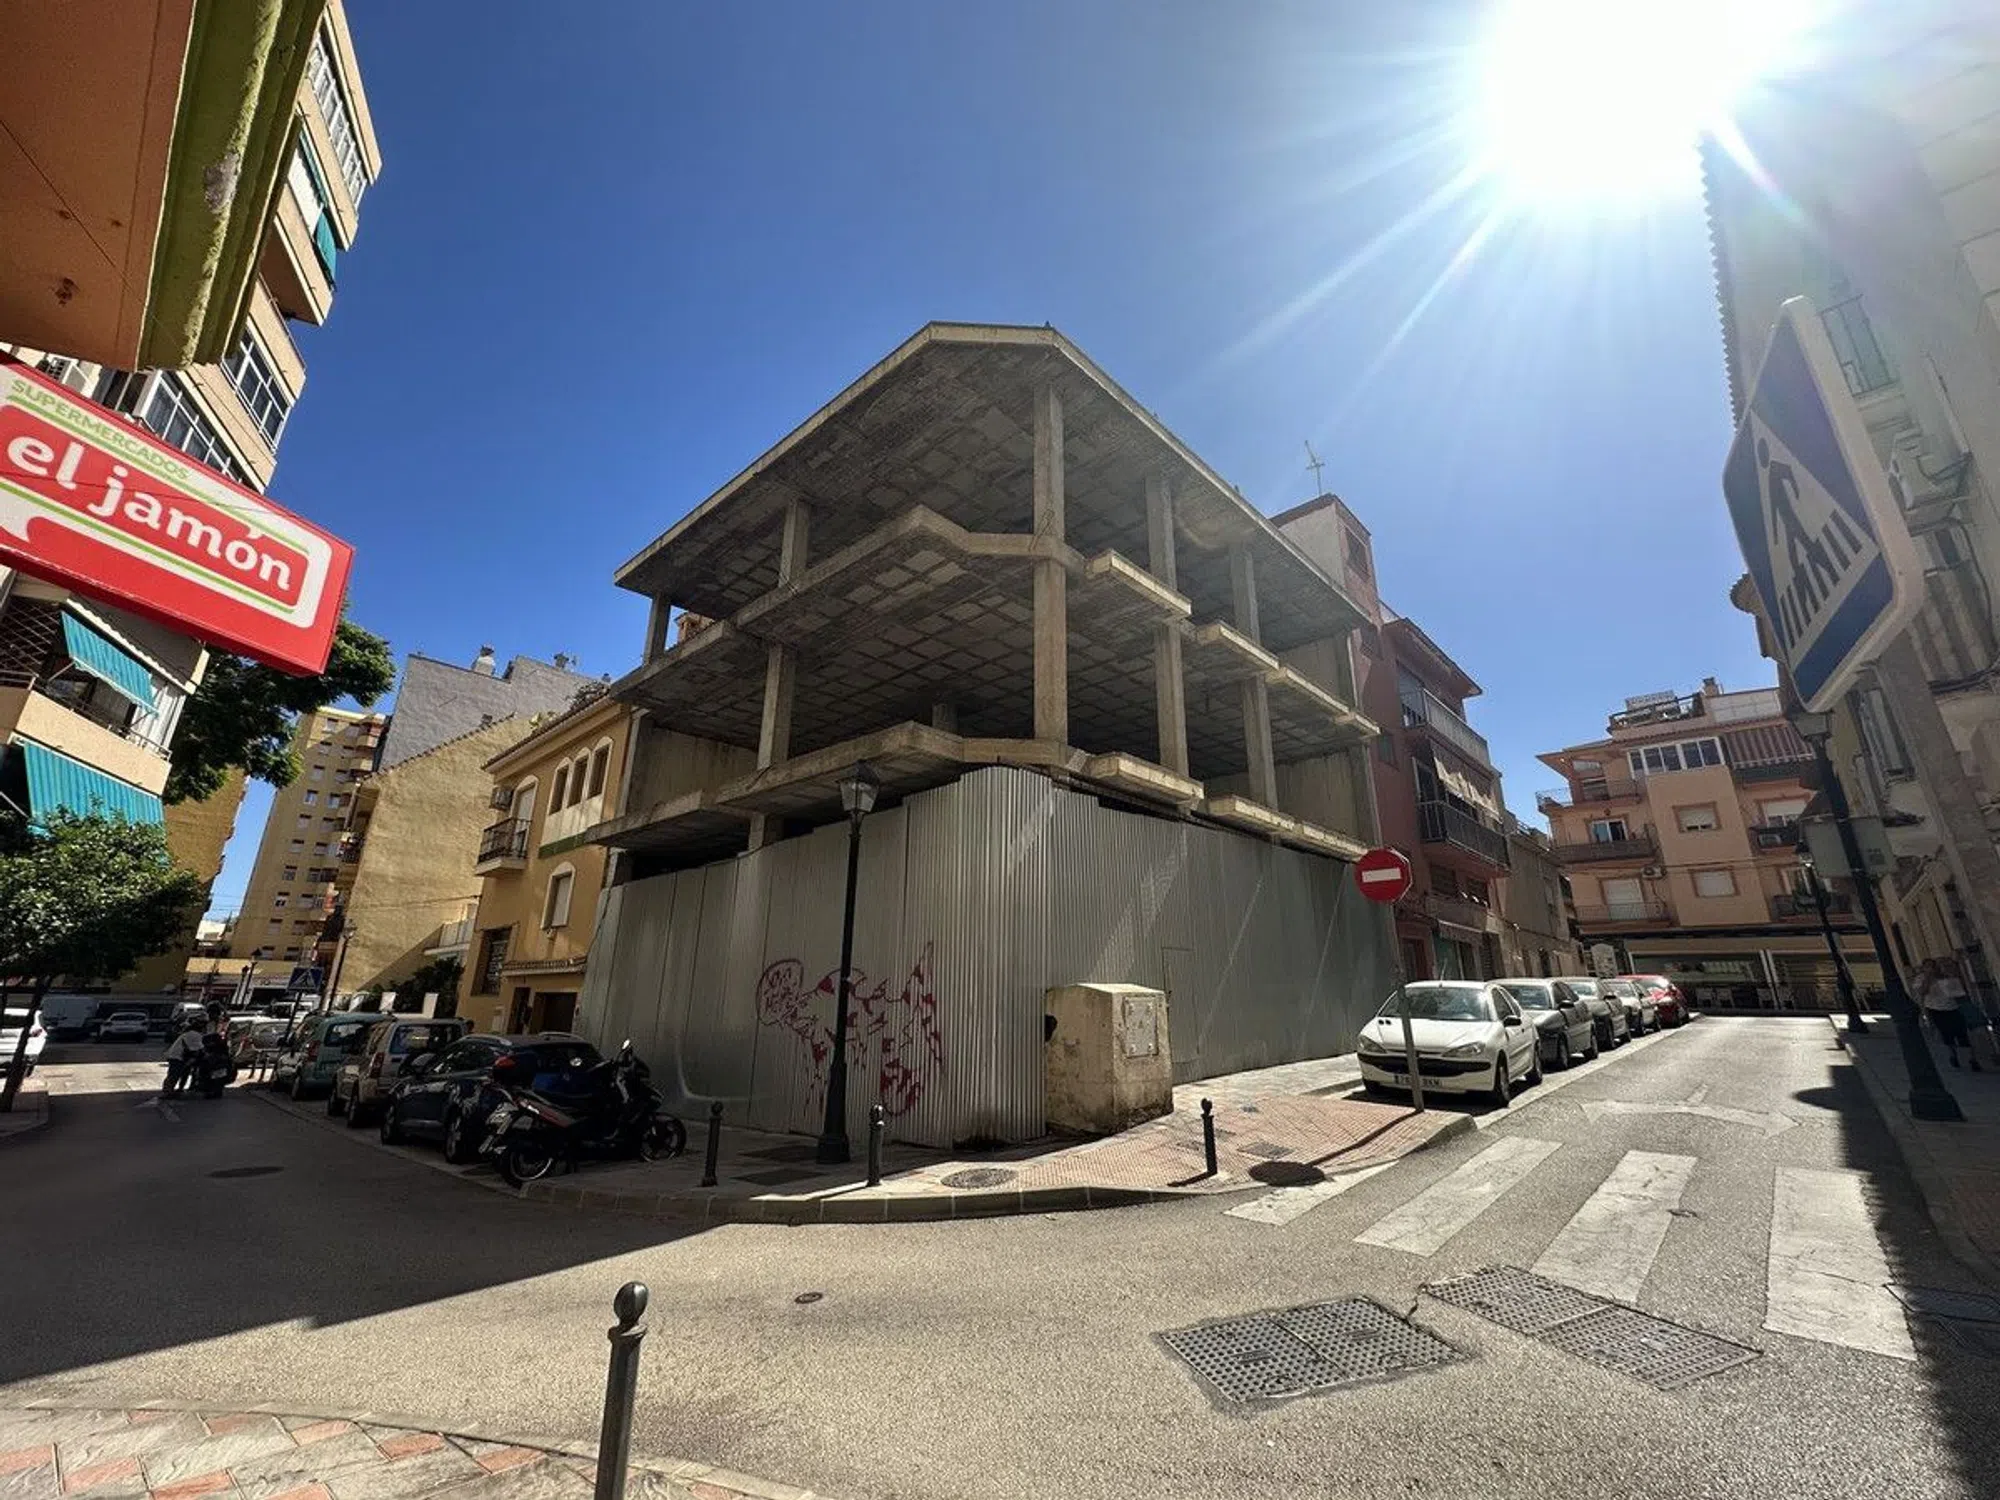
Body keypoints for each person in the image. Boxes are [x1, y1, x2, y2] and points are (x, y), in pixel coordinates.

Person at [1918, 959, 1982, 1072]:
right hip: (1936, 1010)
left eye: (1932, 966)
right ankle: (1953, 1055)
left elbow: (1959, 990)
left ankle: (1972, 1059)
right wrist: (1928, 979)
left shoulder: (1946, 976)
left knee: (1963, 1033)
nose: (1931, 969)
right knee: (1946, 1034)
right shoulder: (1921, 979)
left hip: (1954, 1008)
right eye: (1927, 966)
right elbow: (1922, 992)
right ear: (1923, 968)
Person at [160, 1020, 203, 1097]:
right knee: (174, 1074)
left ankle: (172, 1090)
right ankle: (168, 1092)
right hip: (178, 1056)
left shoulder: (187, 1033)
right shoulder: (195, 1035)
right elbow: (198, 1048)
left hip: (175, 1055)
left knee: (177, 1073)